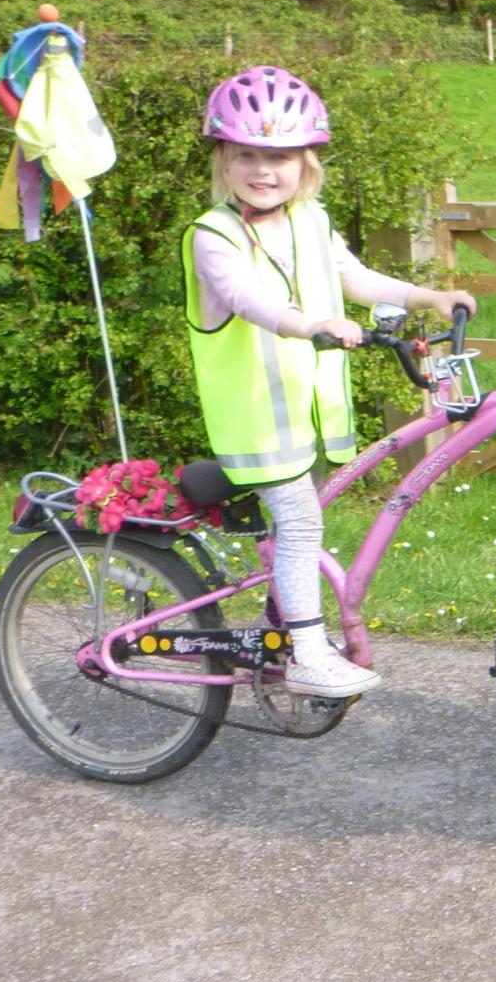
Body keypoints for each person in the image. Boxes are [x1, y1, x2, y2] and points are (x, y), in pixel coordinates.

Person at [183, 65, 475, 699]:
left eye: (280, 157)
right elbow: (248, 299)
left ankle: (280, 632)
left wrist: (432, 295)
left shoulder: (310, 221)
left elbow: (360, 279)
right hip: (256, 418)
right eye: (247, 156)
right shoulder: (213, 236)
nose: (264, 170)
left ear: (306, 163)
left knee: (301, 521)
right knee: (302, 525)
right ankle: (307, 657)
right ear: (224, 161)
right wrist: (310, 323)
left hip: (306, 417)